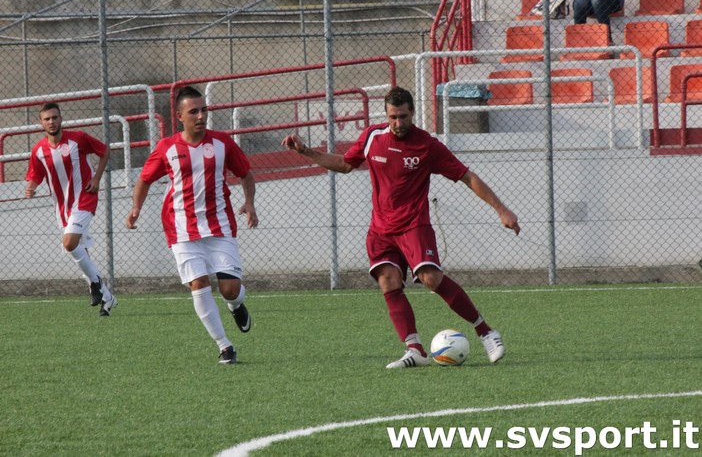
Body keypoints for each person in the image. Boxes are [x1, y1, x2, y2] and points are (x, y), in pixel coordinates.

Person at [281, 86, 520, 369]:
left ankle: (485, 331)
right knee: (388, 282)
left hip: (413, 225)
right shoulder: (373, 137)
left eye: (403, 116)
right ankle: (415, 349)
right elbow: (345, 164)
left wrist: (501, 209)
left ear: (412, 113)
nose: (398, 123)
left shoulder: (428, 145)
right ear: (386, 114)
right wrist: (306, 151)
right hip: (381, 229)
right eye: (393, 117)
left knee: (431, 278)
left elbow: (467, 176)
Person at [125, 86, 258, 365]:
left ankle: (236, 304)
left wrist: (249, 202)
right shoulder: (166, 148)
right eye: (193, 111)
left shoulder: (222, 143)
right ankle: (224, 346)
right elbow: (145, 179)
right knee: (198, 284)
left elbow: (245, 173)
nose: (201, 116)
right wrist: (136, 208)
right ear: (179, 116)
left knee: (229, 289)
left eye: (204, 110)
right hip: (180, 227)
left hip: (219, 223)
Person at [25, 102, 117, 316]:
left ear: (61, 119)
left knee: (69, 243)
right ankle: (107, 298)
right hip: (62, 207)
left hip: (84, 198)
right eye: (47, 118)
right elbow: (35, 174)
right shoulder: (39, 150)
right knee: (80, 251)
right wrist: (31, 186)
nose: (51, 121)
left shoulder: (78, 138)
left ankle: (95, 284)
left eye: (55, 117)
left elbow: (104, 151)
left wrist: (97, 178)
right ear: (41, 123)